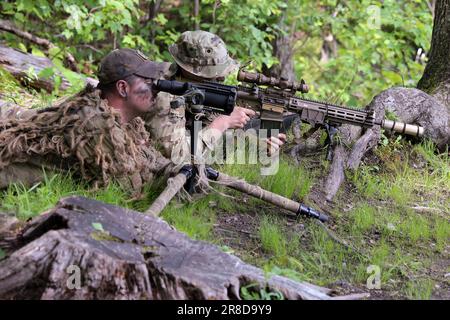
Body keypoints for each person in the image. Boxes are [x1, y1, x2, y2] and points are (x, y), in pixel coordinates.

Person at [143, 30, 286, 162]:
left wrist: (258, 144)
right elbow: (178, 155)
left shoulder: (181, 79)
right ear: (192, 72)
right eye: (215, 74)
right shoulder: (165, 95)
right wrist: (223, 122)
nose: (221, 78)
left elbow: (202, 128)